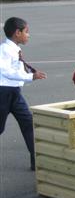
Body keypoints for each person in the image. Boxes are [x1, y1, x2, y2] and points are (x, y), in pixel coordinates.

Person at [1, 17, 47, 171]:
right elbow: (5, 71)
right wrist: (30, 76)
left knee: (28, 123)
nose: (28, 35)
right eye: (26, 32)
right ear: (17, 33)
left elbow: (17, 70)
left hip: (14, 92)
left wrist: (30, 74)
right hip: (3, 93)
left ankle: (37, 162)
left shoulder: (15, 49)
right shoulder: (5, 50)